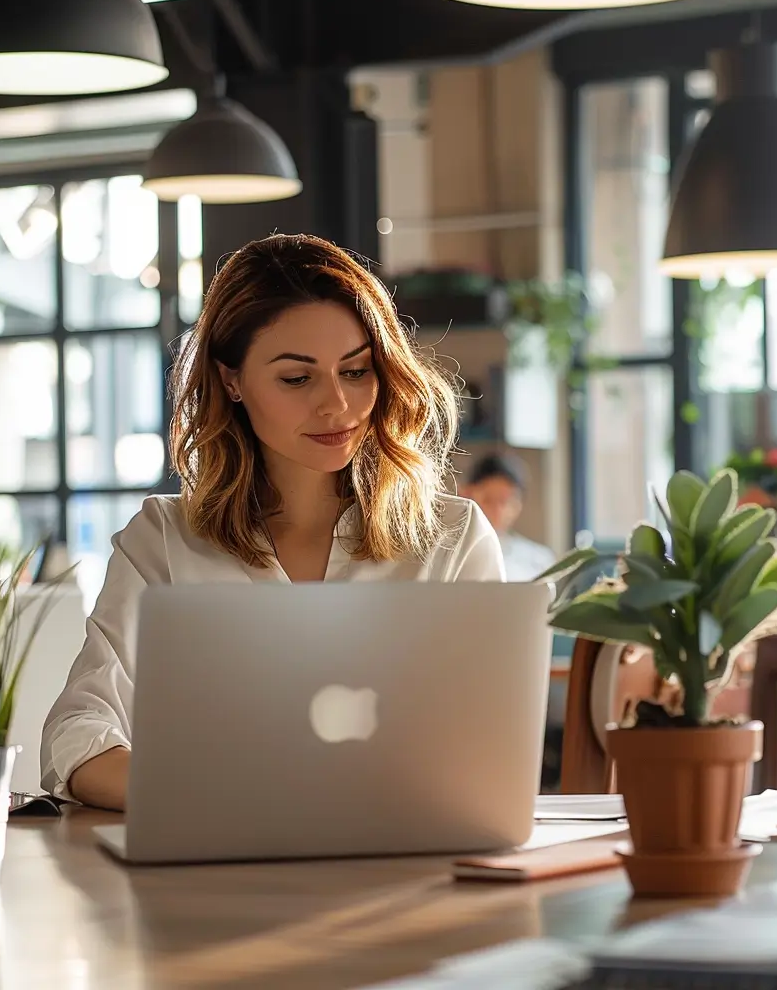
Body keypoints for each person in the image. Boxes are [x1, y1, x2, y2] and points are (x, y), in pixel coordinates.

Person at [40, 233, 505, 811]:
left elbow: (489, 748)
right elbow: (79, 732)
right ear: (231, 380)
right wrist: (232, 801)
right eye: (296, 378)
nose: (336, 405)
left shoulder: (453, 539)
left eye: (356, 371)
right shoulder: (164, 539)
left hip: (405, 874)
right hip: (217, 877)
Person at [462, 453, 554, 582]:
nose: (497, 510)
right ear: (466, 495)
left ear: (518, 505)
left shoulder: (538, 561)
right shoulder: (450, 554)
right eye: (488, 500)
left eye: (504, 502)